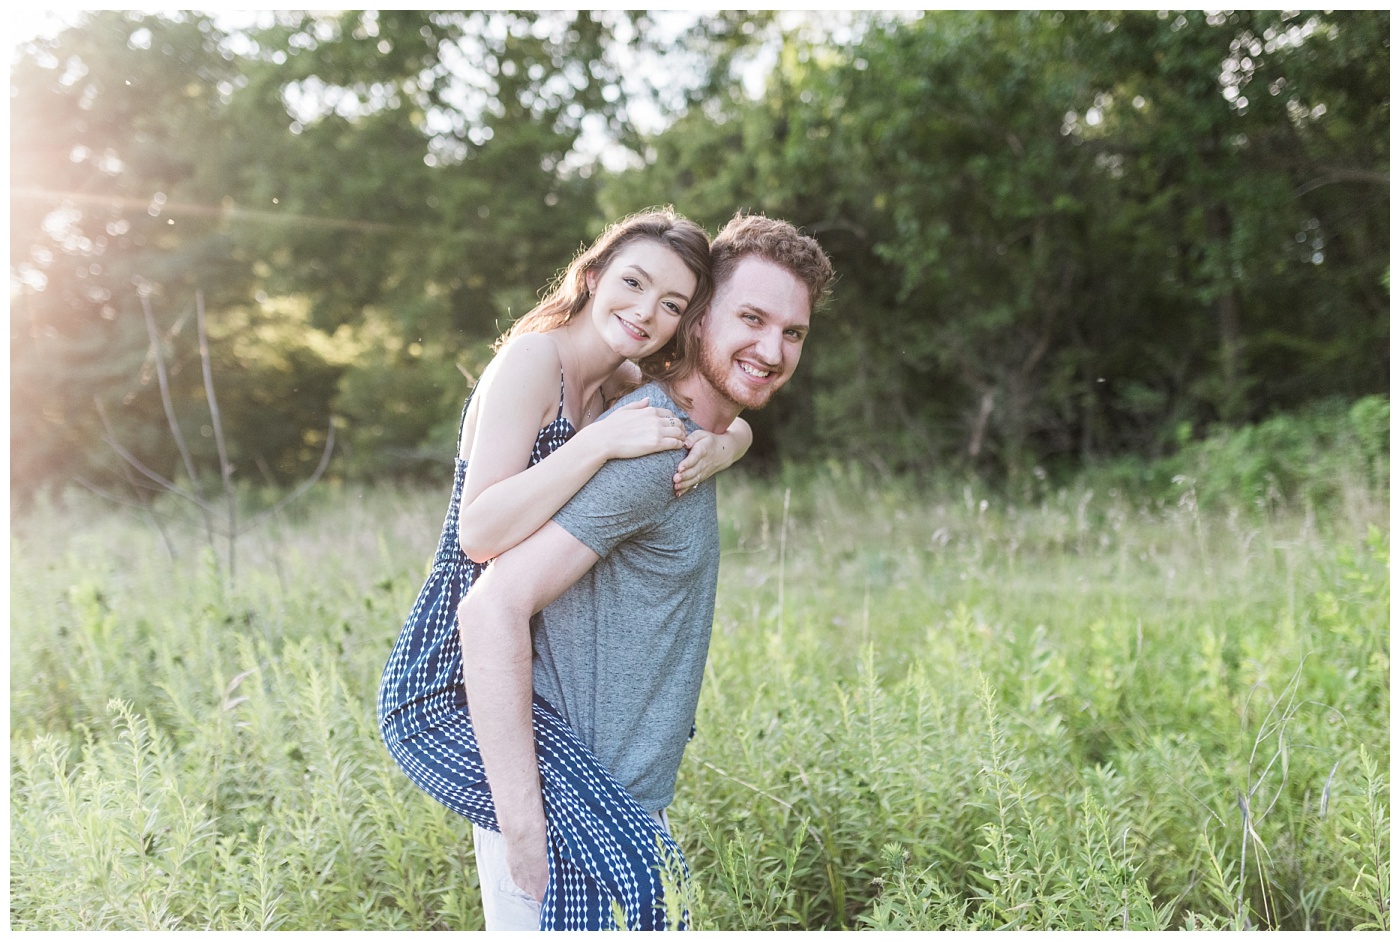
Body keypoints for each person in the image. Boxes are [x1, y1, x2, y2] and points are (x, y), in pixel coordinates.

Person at [377, 209, 755, 923]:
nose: (647, 312)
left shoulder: (617, 375)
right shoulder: (534, 362)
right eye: (634, 282)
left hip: (519, 679)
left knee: (630, 874)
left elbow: (727, 411)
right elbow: (478, 532)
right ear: (592, 274)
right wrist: (596, 445)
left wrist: (729, 446)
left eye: (672, 305)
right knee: (641, 871)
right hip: (443, 682)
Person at [459, 212, 834, 929]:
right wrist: (524, 830)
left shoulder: (693, 434)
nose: (772, 348)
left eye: (793, 332)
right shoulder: (649, 445)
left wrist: (728, 443)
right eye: (751, 318)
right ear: (696, 321)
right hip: (571, 816)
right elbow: (488, 607)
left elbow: (730, 425)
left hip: (621, 808)